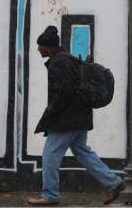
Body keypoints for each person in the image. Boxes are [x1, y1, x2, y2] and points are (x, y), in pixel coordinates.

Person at [26, 26, 125, 206]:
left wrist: (50, 113)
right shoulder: (68, 59)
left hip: (66, 120)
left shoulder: (59, 62)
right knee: (83, 153)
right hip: (80, 117)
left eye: (40, 46)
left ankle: (50, 195)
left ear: (48, 47)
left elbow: (65, 92)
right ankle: (113, 183)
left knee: (50, 156)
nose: (38, 49)